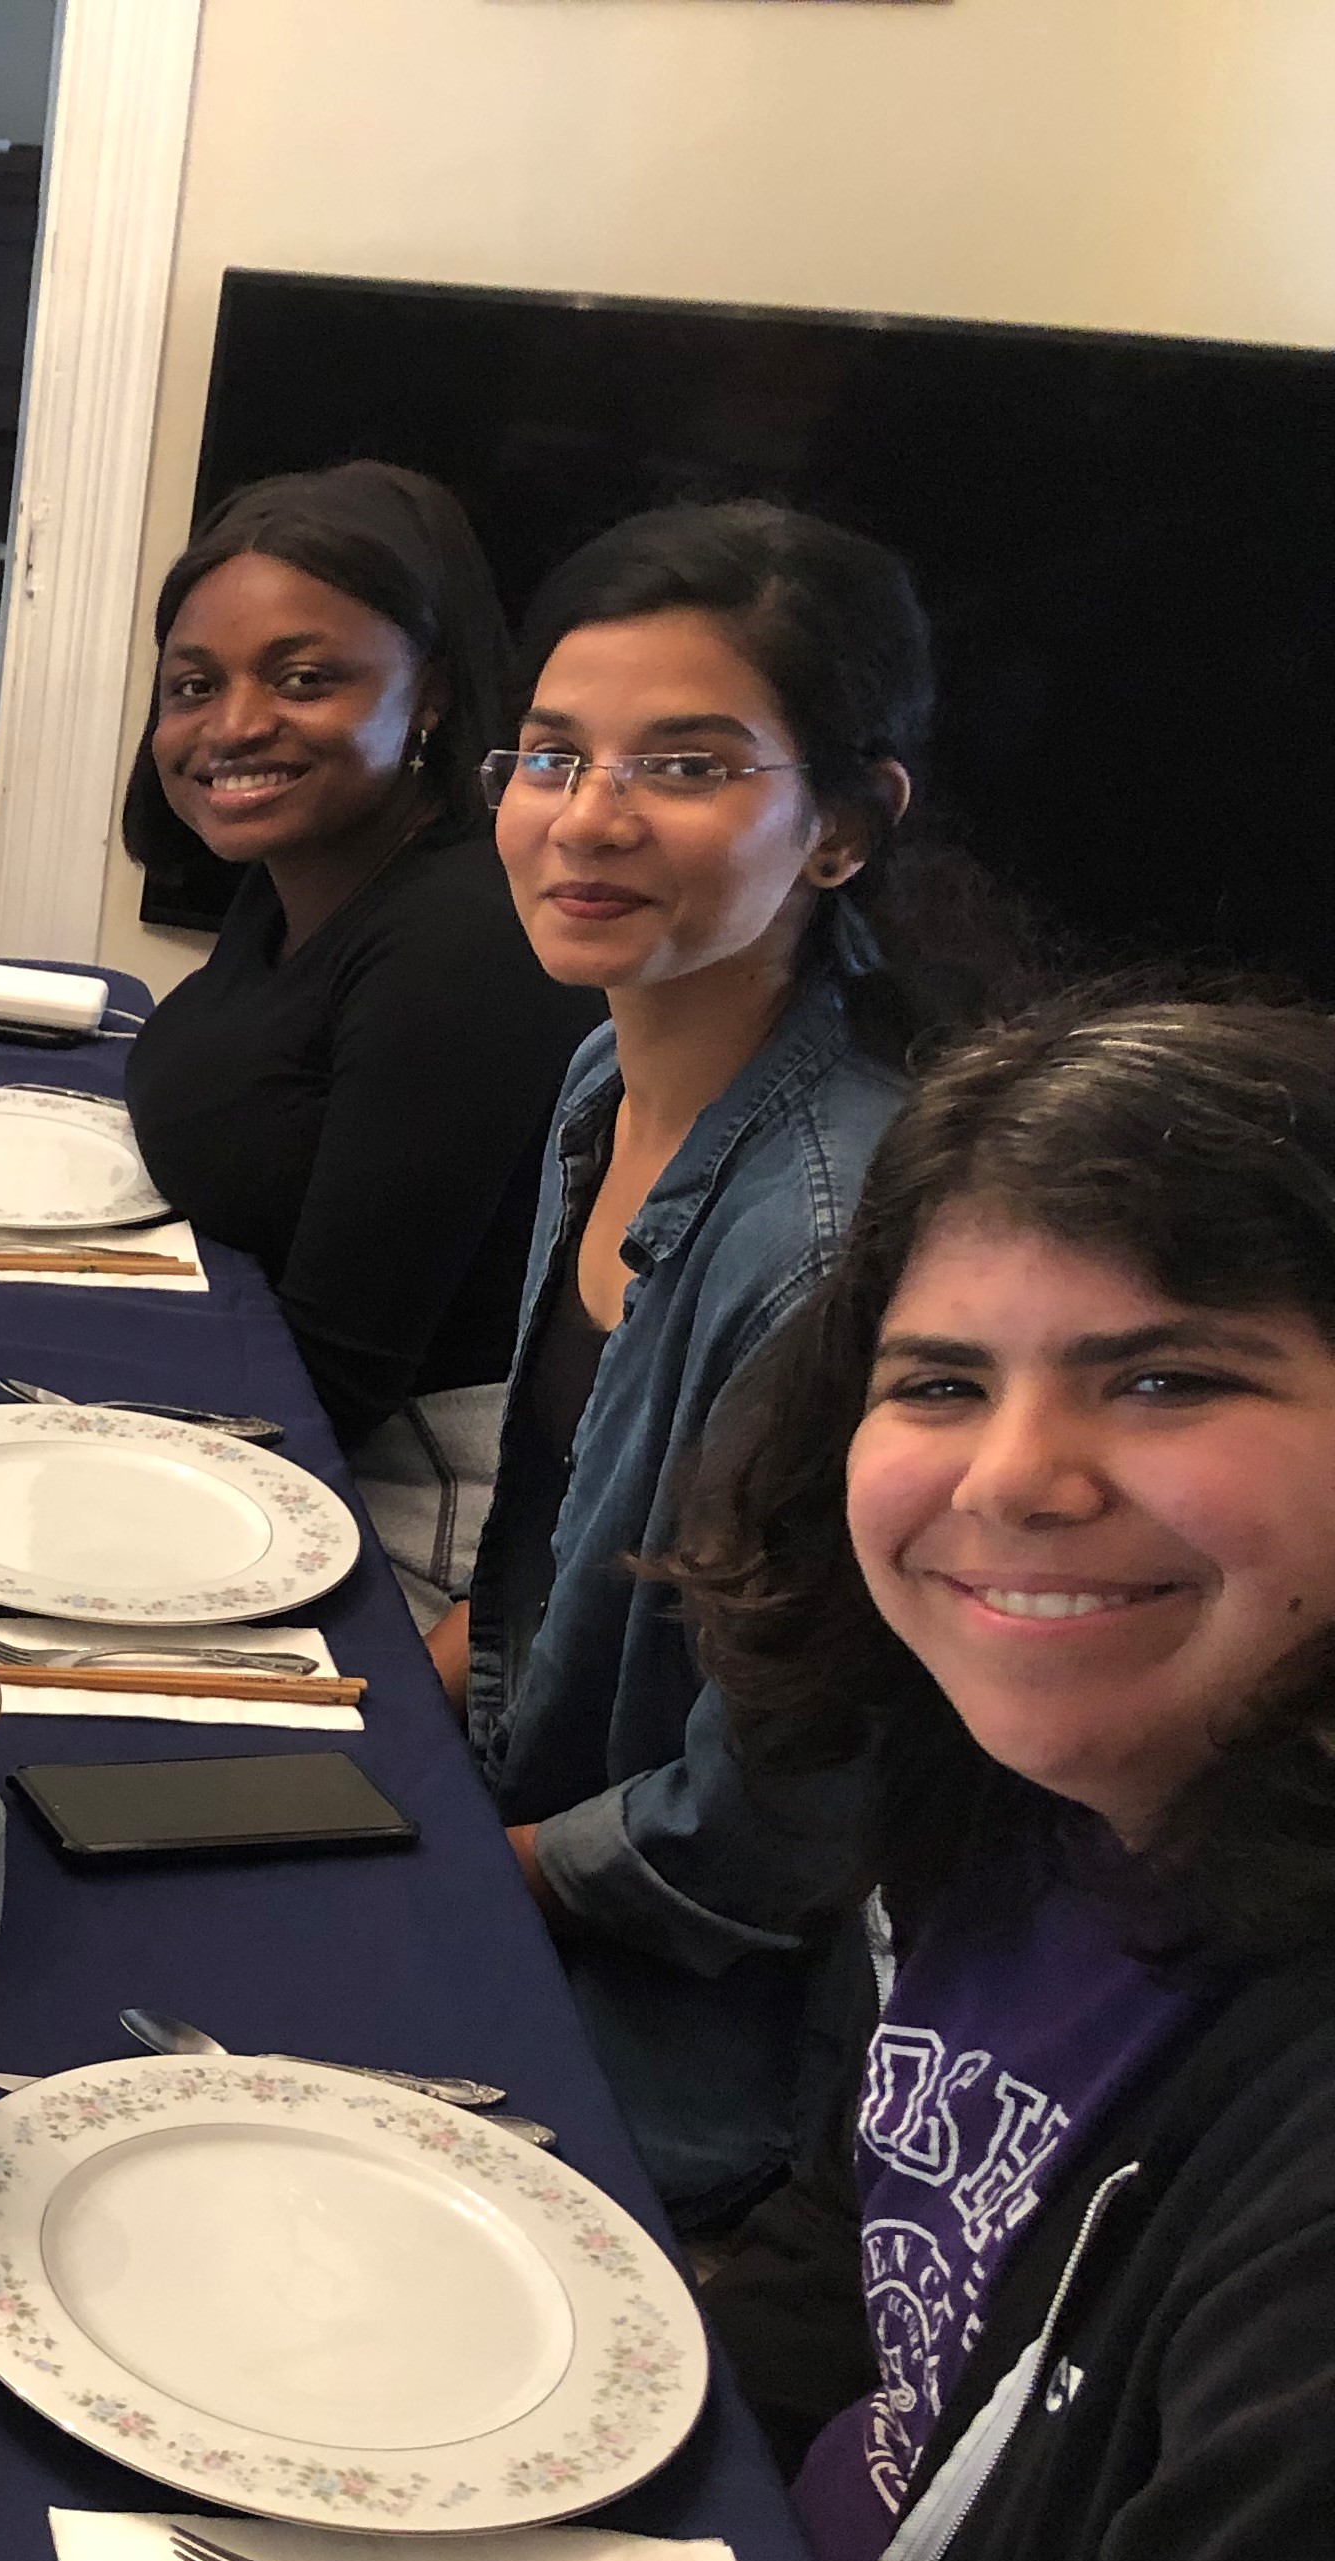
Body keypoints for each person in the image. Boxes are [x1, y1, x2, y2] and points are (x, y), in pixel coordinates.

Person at [668, 992, 1335, 2561]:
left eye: (1163, 1379)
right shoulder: (1035, 1795)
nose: (1019, 1477)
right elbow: (876, 2235)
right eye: (942, 1379)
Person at [436, 499, 1015, 2230]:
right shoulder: (599, 1084)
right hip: (529, 1840)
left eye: (683, 765)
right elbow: (544, 1564)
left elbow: (767, 1827)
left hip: (668, 2033)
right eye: (549, 756)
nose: (585, 817)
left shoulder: (830, 1240)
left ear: (842, 823)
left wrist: (452, 1867)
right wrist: (382, 1720)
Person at [116, 463, 602, 1623]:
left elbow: (336, 1381)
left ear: (427, 694)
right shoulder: (298, 876)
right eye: (194, 685)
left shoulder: (460, 942)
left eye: (303, 678)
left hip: (409, 1530)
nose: (232, 726)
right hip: (274, 1442)